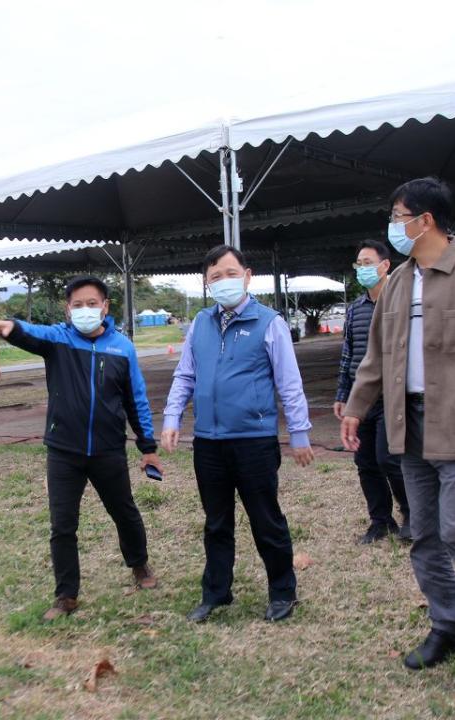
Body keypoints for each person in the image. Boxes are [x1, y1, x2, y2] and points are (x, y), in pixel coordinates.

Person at [340, 177, 455, 690]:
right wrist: (357, 408)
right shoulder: (397, 283)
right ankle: (448, 626)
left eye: (399, 216)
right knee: (425, 535)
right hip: (409, 425)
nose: (394, 226)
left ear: (426, 220)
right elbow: (377, 359)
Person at [0, 276, 162, 621]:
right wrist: (9, 327)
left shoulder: (123, 347)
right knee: (63, 525)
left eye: (92, 304)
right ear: (68, 309)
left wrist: (147, 446)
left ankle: (139, 565)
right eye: (77, 305)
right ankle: (66, 595)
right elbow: (32, 332)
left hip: (108, 450)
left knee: (124, 512)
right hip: (64, 450)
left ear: (106, 307)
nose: (85, 310)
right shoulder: (59, 340)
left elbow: (135, 399)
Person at [161, 245, 314, 624]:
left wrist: (299, 433)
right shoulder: (200, 323)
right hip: (209, 442)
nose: (224, 282)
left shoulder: (269, 323)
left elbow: (289, 383)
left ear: (248, 275)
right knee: (216, 522)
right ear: (207, 283)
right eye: (216, 277)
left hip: (253, 441)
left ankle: (282, 592)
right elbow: (185, 375)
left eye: (231, 274)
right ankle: (216, 591)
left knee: (266, 520)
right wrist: (171, 417)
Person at [334, 240, 411, 544]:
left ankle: (412, 514)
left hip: (391, 396)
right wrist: (343, 393)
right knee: (365, 462)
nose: (362, 269)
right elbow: (348, 353)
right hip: (359, 397)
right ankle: (381, 521)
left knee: (388, 458)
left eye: (368, 263)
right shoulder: (355, 309)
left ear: (385, 265)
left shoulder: (401, 303)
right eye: (359, 264)